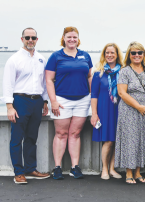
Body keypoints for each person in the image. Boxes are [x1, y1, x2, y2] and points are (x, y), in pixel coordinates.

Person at [0, 27, 50, 184]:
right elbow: (7, 84)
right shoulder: (14, 59)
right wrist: (10, 106)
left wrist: (45, 101)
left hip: (37, 102)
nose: (30, 40)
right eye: (27, 37)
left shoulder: (41, 59)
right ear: (22, 39)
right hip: (20, 101)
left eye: (33, 38)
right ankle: (19, 172)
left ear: (37, 40)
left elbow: (45, 82)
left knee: (31, 137)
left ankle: (30, 168)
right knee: (17, 138)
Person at [45, 26, 93, 180]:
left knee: (75, 133)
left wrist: (93, 99)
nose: (72, 40)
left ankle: (74, 167)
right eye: (69, 37)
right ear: (64, 38)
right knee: (61, 133)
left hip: (83, 100)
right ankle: (57, 167)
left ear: (78, 39)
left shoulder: (85, 56)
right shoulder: (56, 56)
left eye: (75, 37)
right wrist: (53, 101)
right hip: (62, 100)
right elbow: (49, 80)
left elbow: (90, 76)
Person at [115, 41, 145, 184]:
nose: (137, 55)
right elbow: (122, 93)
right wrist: (139, 107)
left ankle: (138, 172)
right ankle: (129, 173)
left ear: (143, 55)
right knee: (130, 140)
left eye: (139, 53)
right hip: (129, 110)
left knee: (143, 139)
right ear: (129, 55)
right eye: (133, 53)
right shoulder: (125, 71)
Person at [90, 43, 123, 180]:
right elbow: (94, 95)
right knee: (108, 141)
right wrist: (94, 113)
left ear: (117, 55)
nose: (109, 55)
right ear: (104, 55)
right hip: (104, 109)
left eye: (112, 53)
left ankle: (112, 168)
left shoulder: (123, 71)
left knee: (116, 139)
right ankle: (104, 168)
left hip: (120, 109)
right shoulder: (98, 73)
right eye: (107, 53)